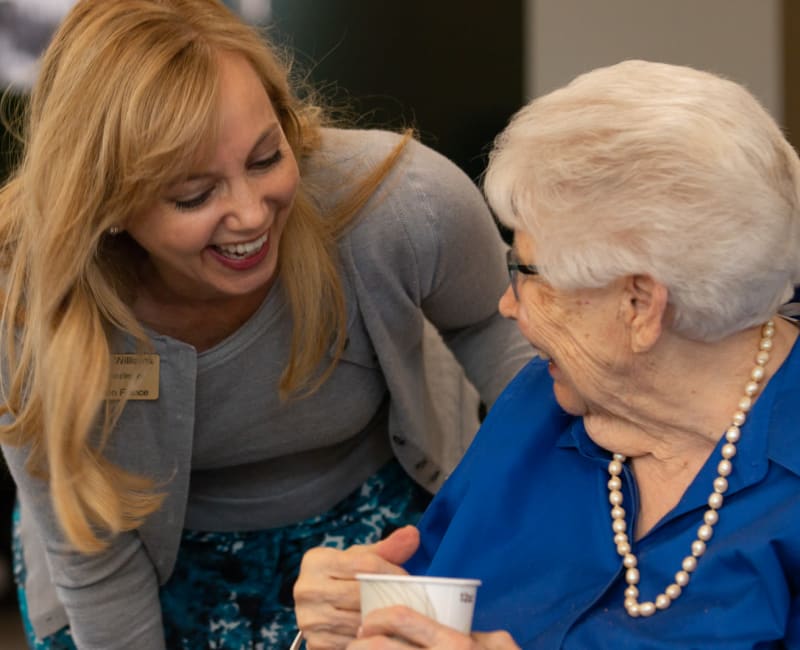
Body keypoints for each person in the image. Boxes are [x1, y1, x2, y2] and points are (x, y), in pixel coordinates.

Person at [0, 1, 533, 648]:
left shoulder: (403, 204)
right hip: (134, 554)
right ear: (107, 203)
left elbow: (506, 340)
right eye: (194, 195)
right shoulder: (29, 298)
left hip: (371, 517)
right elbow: (96, 556)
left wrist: (513, 541)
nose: (251, 215)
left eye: (264, 159)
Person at [293, 59, 800, 649]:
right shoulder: (543, 404)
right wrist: (344, 618)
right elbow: (413, 618)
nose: (508, 305)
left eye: (528, 271)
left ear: (639, 304)